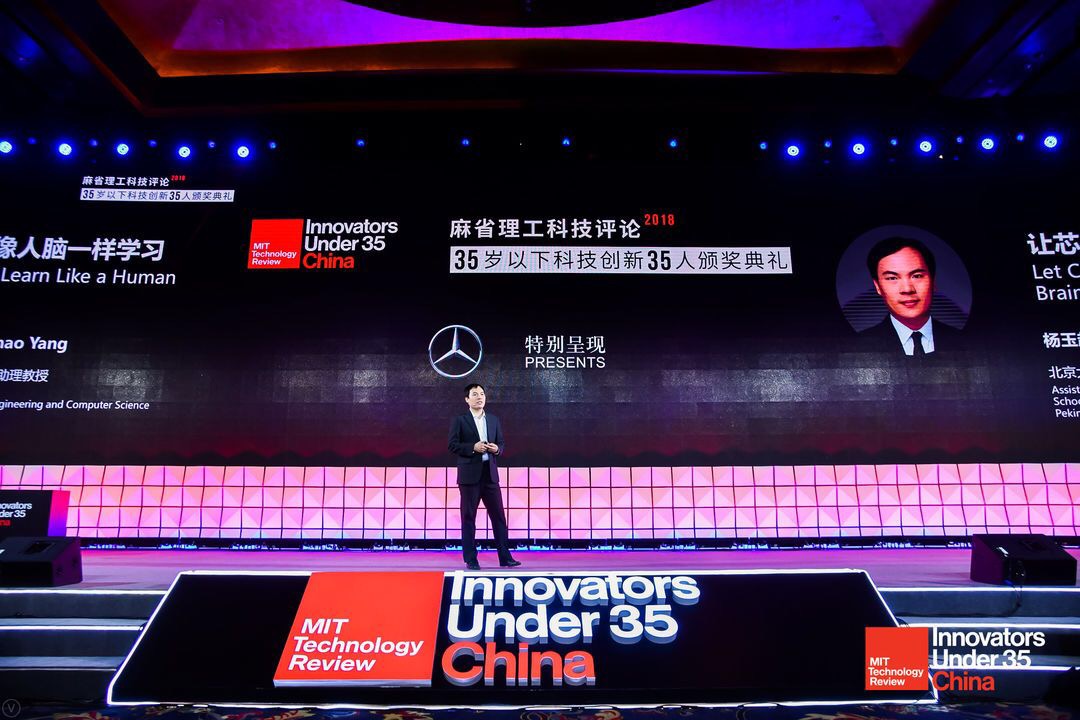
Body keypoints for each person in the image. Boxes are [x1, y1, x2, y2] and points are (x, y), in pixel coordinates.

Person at [448, 382, 520, 570]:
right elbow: (452, 445)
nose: (479, 397)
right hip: (469, 477)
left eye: (482, 394)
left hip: (490, 475)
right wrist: (473, 447)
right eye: (475, 394)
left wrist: (497, 449)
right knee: (468, 518)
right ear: (467, 399)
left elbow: (501, 443)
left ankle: (505, 557)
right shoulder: (460, 420)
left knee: (499, 517)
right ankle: (471, 559)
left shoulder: (494, 420)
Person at [860, 237, 960, 355]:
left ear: (933, 281)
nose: (907, 289)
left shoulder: (963, 340)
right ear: (877, 286)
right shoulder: (860, 346)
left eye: (917, 276)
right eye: (892, 278)